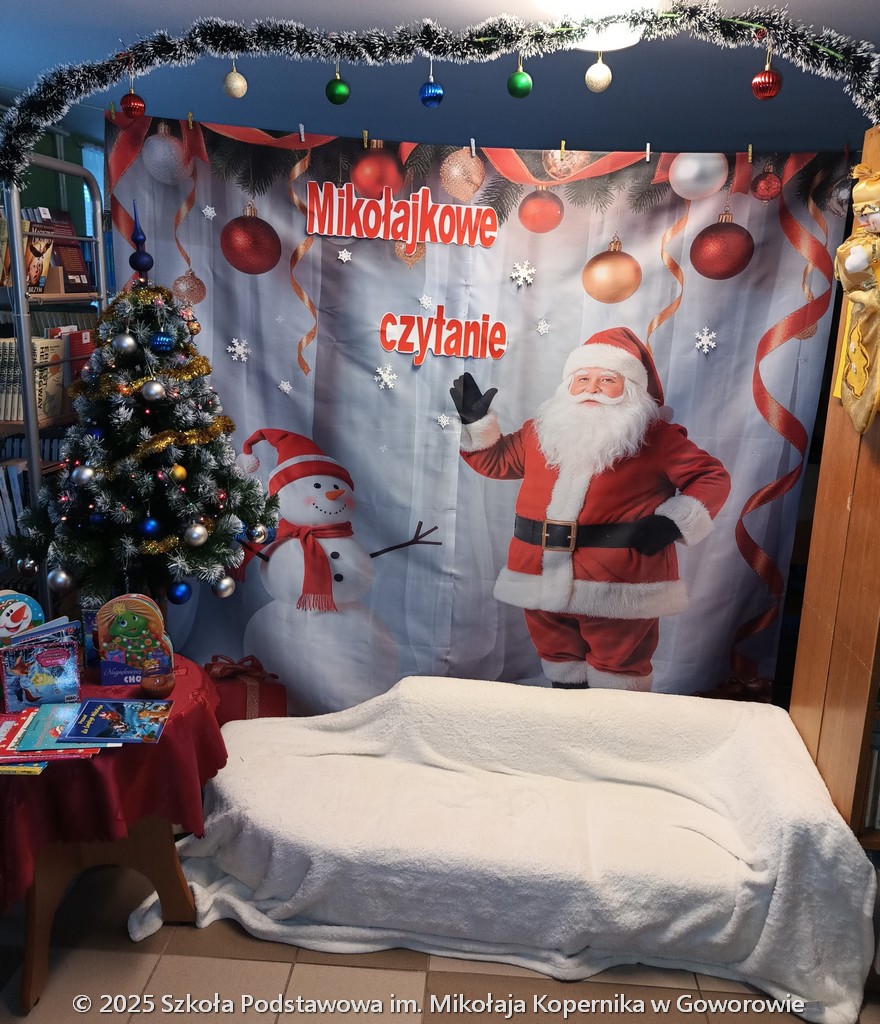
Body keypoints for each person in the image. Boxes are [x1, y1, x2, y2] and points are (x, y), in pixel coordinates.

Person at [450, 326, 731, 691]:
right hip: (538, 573)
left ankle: (614, 726)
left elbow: (711, 477)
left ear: (630, 388)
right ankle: (567, 721)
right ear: (568, 386)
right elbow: (497, 462)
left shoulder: (656, 437)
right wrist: (477, 425)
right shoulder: (540, 432)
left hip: (618, 581)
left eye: (607, 380)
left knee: (619, 670)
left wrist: (674, 522)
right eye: (582, 378)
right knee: (559, 661)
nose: (592, 387)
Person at [834, 163, 880, 432]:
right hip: (872, 317)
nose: (863, 222)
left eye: (869, 213)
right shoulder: (863, 241)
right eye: (858, 215)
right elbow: (848, 265)